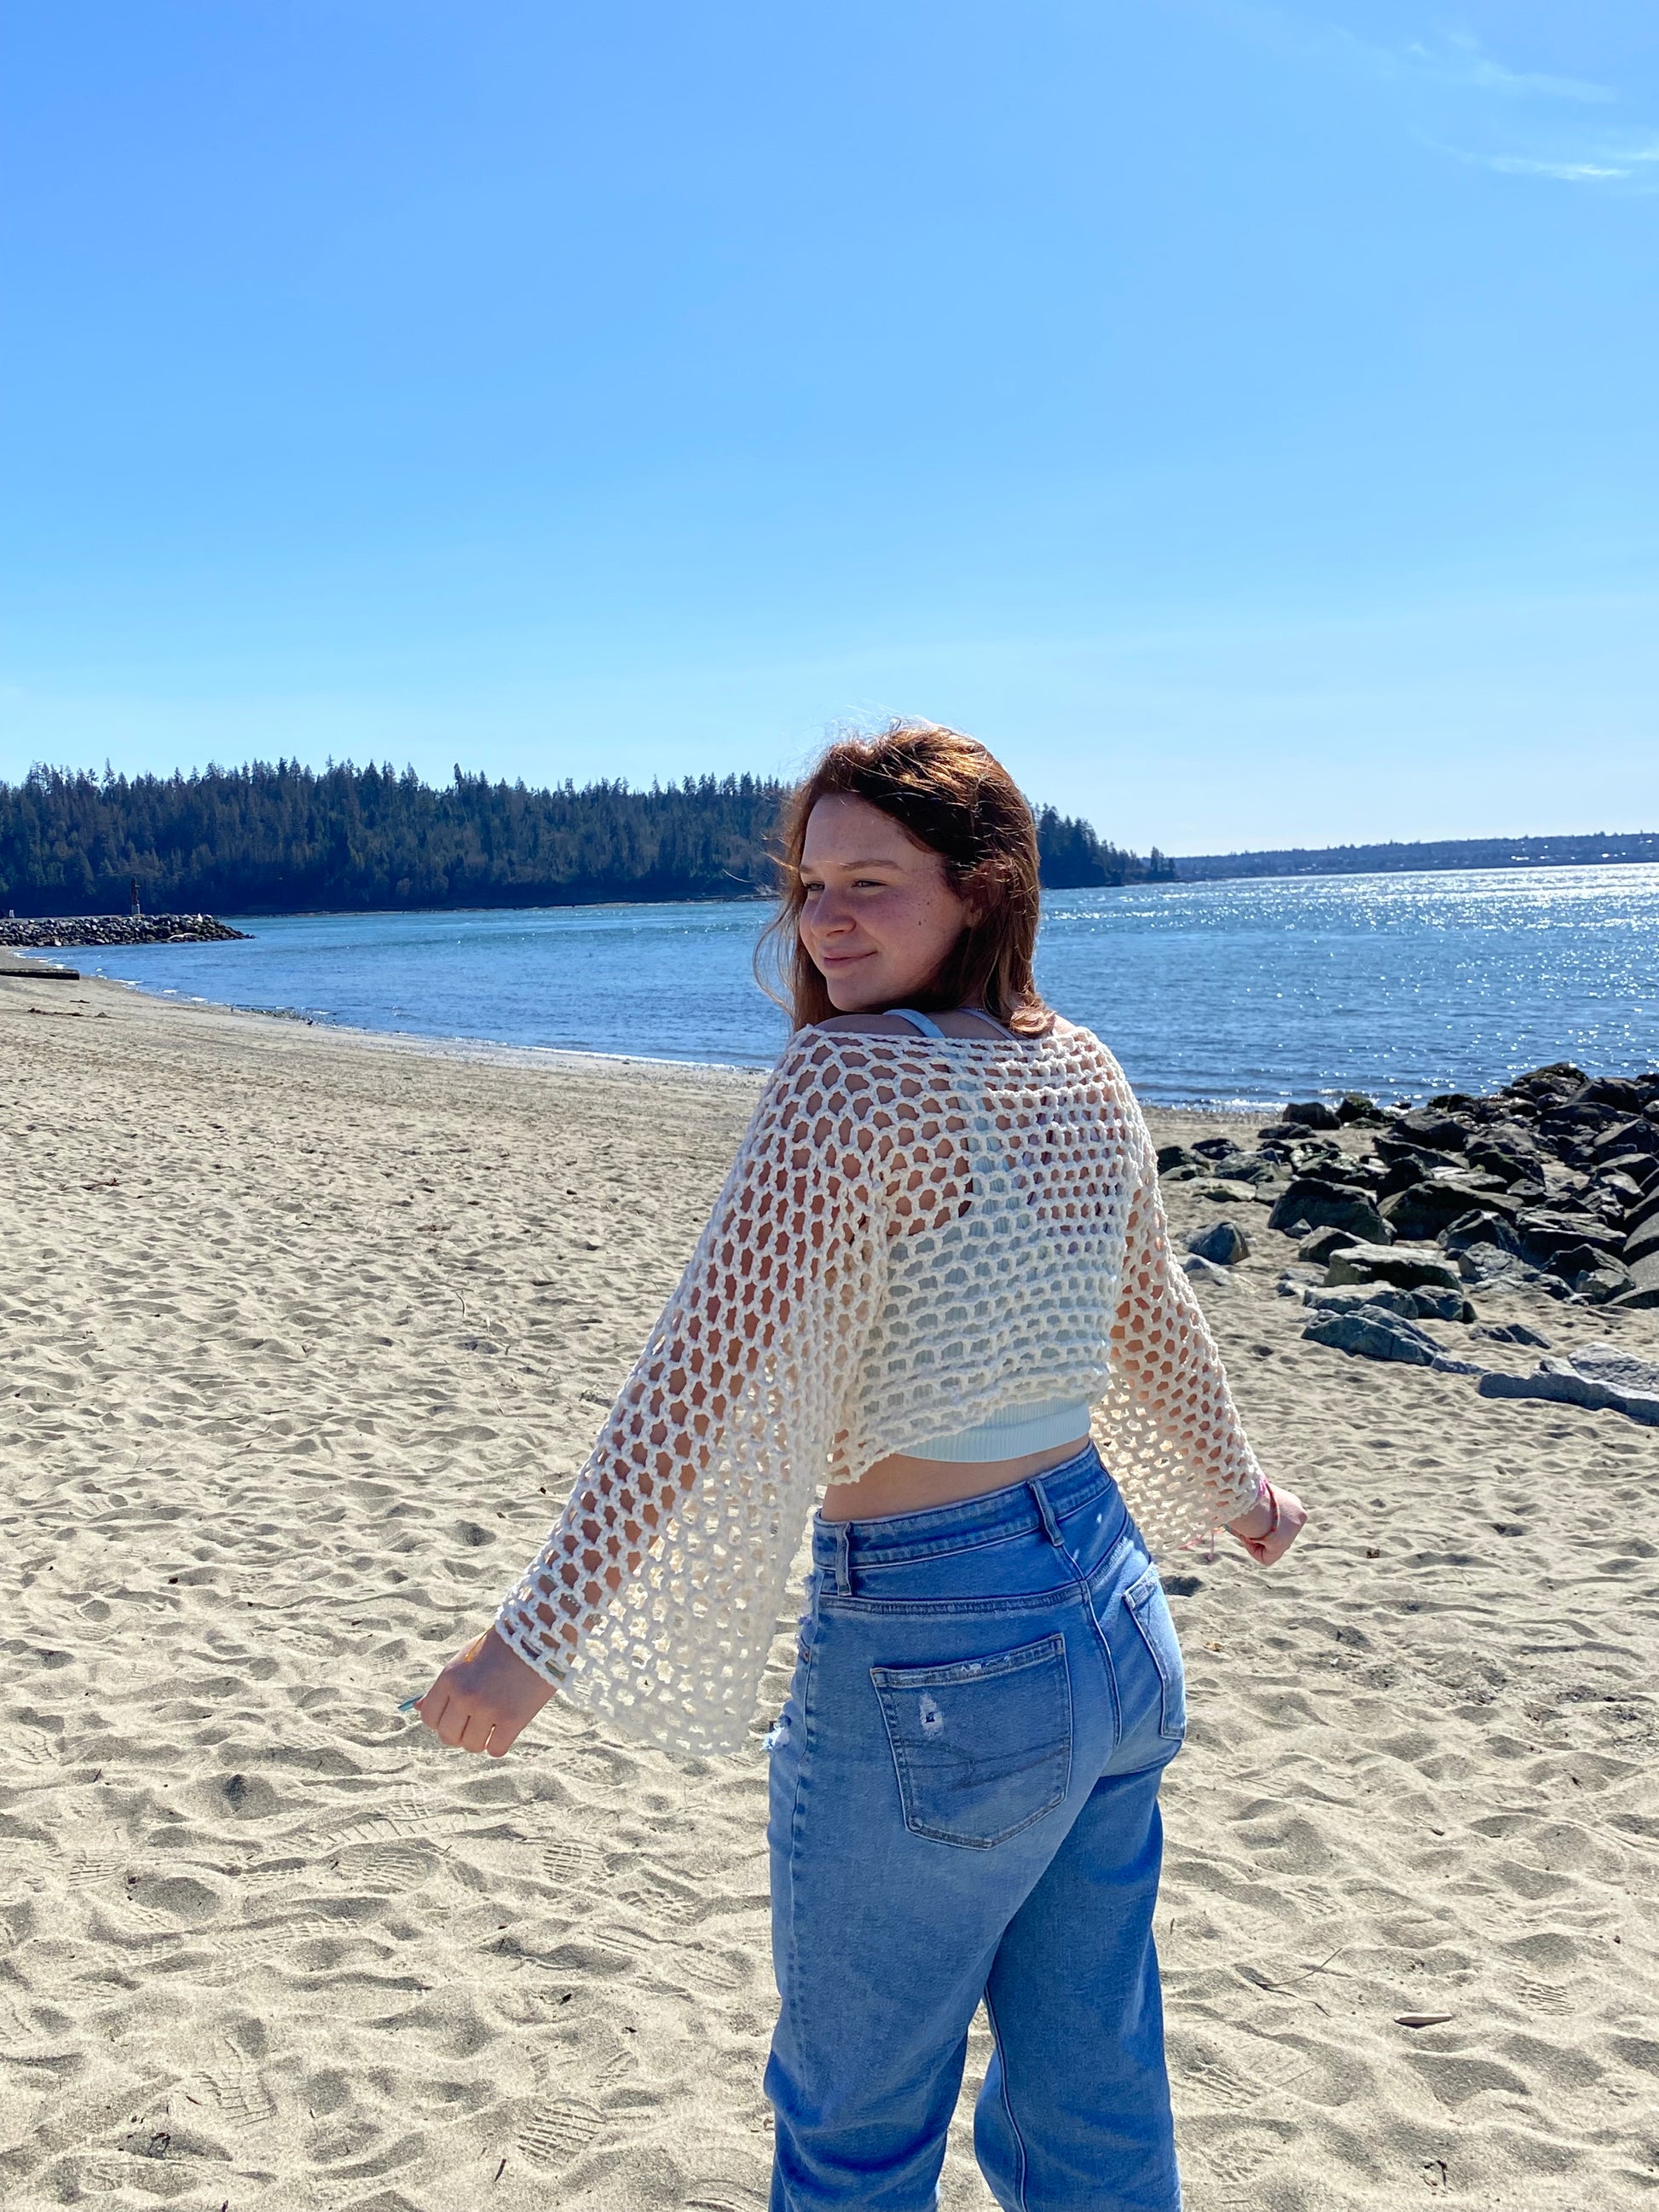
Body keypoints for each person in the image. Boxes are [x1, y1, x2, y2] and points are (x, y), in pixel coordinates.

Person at [414, 721, 1307, 2212]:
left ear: (981, 886)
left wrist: (532, 1644)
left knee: (857, 2127)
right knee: (1091, 2097)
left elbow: (692, 1381)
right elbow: (1148, 1313)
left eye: (869, 884)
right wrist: (1239, 1495)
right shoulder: (1078, 1063)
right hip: (1113, 1609)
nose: (824, 920)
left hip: (938, 1643)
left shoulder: (848, 1079)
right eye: (809, 885)